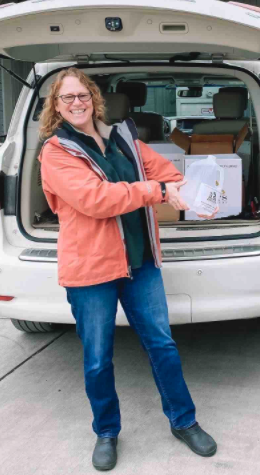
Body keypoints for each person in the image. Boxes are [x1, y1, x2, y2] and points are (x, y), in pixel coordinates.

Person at [38, 68, 217, 471]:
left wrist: (194, 192)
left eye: (83, 95)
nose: (77, 103)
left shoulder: (123, 140)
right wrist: (160, 192)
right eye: (67, 98)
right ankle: (106, 431)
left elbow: (165, 173)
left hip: (140, 263)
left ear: (94, 98)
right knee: (98, 358)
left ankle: (184, 421)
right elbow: (95, 199)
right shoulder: (56, 151)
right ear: (57, 105)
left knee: (162, 346)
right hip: (91, 270)